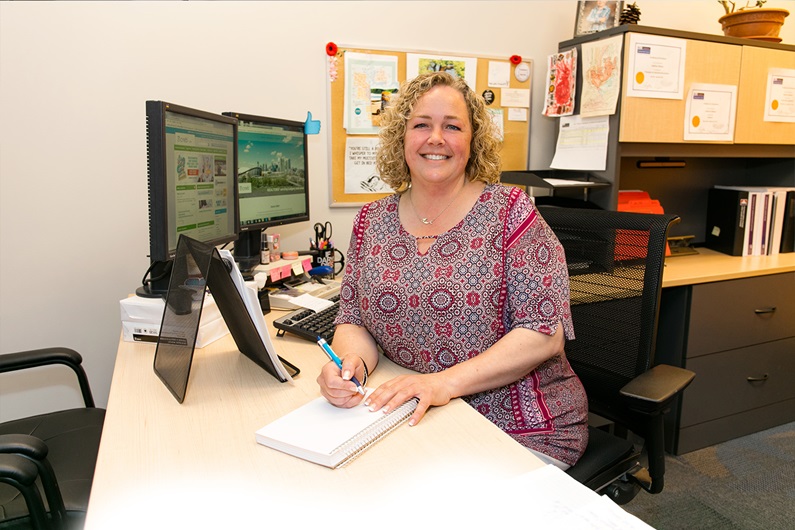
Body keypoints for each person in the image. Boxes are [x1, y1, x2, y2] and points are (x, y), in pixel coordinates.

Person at [317, 71, 588, 468]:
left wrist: (442, 382)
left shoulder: (512, 212)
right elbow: (354, 317)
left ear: (473, 140)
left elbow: (543, 334)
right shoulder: (371, 220)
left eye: (453, 126)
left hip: (519, 428)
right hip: (414, 413)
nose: (436, 138)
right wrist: (348, 365)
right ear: (401, 137)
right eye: (422, 125)